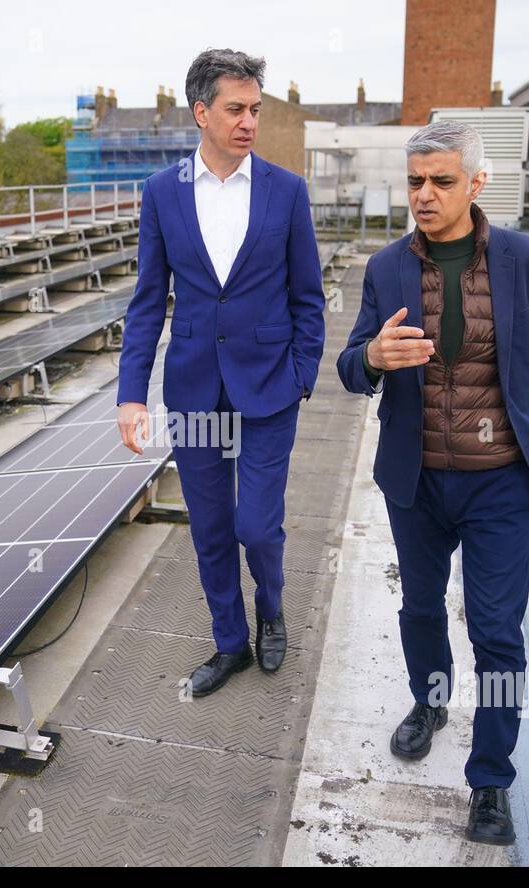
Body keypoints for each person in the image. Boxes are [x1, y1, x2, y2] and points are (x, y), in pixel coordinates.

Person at [336, 121, 529, 845]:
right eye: (415, 181)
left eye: (441, 180)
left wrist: (525, 430)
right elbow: (349, 370)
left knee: (498, 632)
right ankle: (429, 702)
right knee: (419, 609)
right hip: (418, 481)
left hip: (498, 485)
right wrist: (373, 355)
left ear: (476, 183)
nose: (425, 195)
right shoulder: (384, 269)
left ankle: (491, 778)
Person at [116, 48, 325, 696]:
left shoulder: (287, 192)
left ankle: (271, 605)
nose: (249, 122)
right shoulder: (162, 194)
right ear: (201, 112)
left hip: (268, 388)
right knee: (208, 528)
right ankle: (229, 643)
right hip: (196, 390)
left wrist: (302, 375)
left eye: (255, 109)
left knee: (255, 526)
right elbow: (149, 301)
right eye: (236, 109)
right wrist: (131, 394)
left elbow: (308, 297)